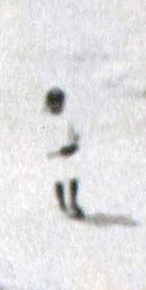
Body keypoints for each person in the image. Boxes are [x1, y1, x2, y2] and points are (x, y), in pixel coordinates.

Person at [43, 86, 82, 219]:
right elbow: (45, 140)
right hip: (56, 156)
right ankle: (62, 203)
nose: (56, 106)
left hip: (69, 154)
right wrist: (54, 151)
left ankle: (73, 202)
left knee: (73, 177)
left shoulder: (67, 118)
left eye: (59, 103)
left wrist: (74, 145)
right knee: (58, 179)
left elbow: (75, 134)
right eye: (53, 103)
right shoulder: (46, 121)